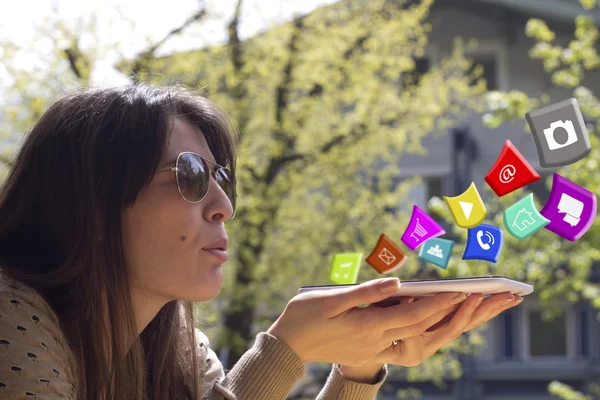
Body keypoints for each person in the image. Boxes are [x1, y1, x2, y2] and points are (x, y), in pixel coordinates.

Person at [0, 84, 522, 400]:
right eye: (188, 176)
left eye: (221, 179)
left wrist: (359, 366)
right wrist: (283, 352)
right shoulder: (10, 319)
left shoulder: (177, 345)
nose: (223, 206)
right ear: (91, 202)